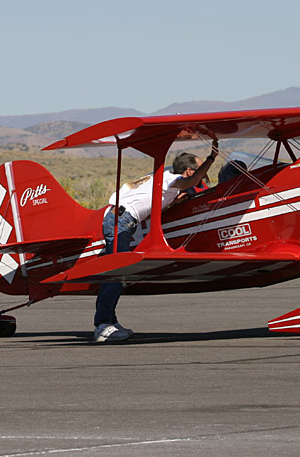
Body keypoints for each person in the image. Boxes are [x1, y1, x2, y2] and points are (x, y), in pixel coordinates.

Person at [93, 138, 219, 343]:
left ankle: (109, 321)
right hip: (121, 222)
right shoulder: (171, 181)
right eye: (202, 172)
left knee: (116, 274)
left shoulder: (164, 181)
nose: (204, 177)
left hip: (120, 220)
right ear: (188, 171)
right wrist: (212, 157)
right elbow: (193, 182)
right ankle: (102, 326)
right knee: (117, 274)